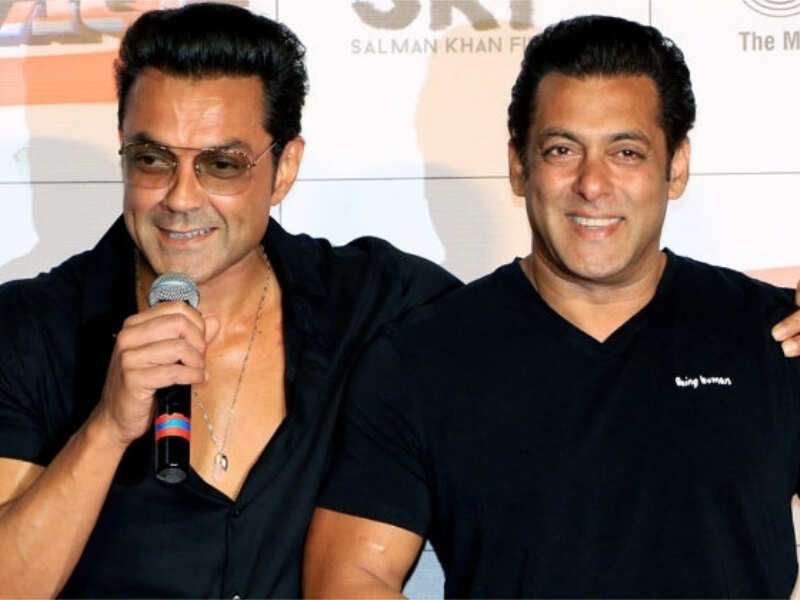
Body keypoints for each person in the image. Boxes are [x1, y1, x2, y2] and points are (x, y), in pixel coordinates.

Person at [305, 15, 800, 598]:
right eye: (562, 150)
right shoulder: (421, 359)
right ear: (519, 166)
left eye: (627, 152)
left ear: (677, 166)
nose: (593, 183)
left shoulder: (777, 336)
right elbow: (349, 580)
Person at [0, 4, 460, 597]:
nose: (180, 198)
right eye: (152, 159)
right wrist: (107, 429)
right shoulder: (30, 332)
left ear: (285, 167)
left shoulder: (380, 305)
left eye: (221, 165)